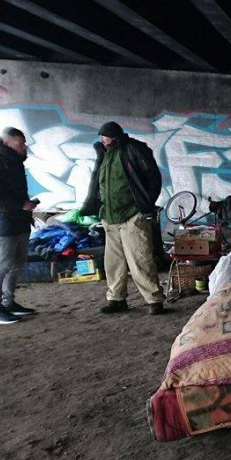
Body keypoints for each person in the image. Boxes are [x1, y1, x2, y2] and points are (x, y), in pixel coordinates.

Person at [80, 121, 167, 315]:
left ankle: (154, 300)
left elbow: (153, 178)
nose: (102, 139)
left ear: (114, 136)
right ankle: (116, 299)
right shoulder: (104, 154)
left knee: (140, 260)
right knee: (113, 263)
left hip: (132, 217)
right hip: (109, 218)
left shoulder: (133, 149)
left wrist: (144, 206)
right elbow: (98, 183)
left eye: (104, 136)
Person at [0, 127, 38, 325]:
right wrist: (21, 205)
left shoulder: (14, 162)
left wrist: (24, 206)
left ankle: (8, 303)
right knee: (1, 265)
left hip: (18, 221)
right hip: (1, 223)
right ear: (7, 143)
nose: (24, 147)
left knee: (16, 264)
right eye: (20, 144)